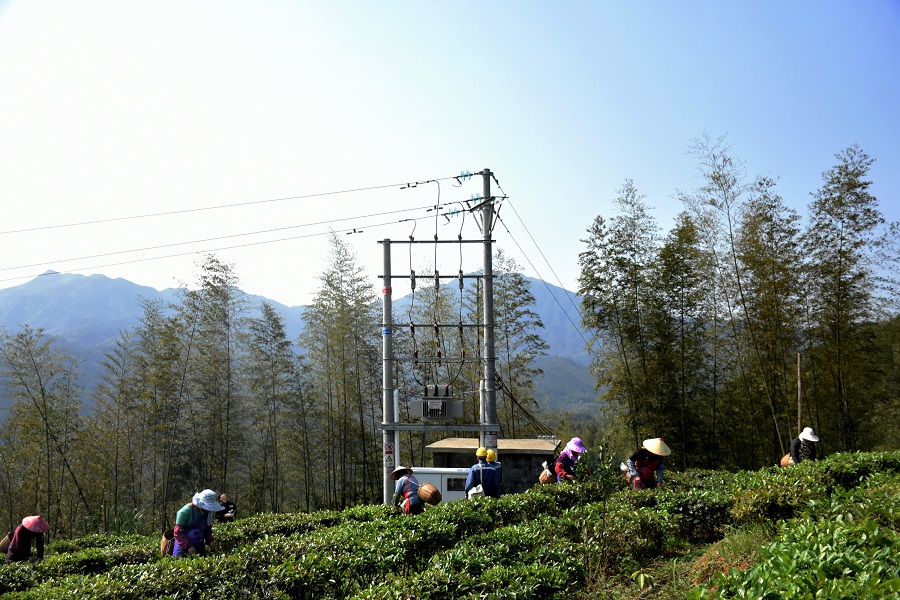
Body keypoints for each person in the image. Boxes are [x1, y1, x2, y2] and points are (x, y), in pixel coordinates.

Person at [172, 489, 223, 557]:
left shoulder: (206, 512)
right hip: (183, 548)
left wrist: (210, 541)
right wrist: (188, 546)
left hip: (199, 546)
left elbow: (207, 529)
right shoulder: (185, 512)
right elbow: (178, 532)